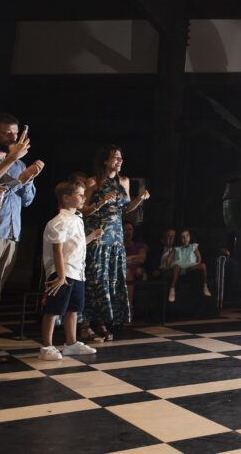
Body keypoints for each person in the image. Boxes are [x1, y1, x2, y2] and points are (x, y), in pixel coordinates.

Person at [0, 113, 44, 366]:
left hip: (11, 233)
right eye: (7, 133)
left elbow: (27, 200)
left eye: (15, 133)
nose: (12, 138)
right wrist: (13, 164)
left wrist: (28, 177)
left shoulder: (19, 163)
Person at [80, 144, 149, 342]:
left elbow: (126, 209)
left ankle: (101, 320)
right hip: (97, 236)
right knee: (94, 280)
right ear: (104, 160)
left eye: (120, 158)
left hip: (115, 237)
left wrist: (139, 199)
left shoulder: (124, 181)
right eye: (115, 158)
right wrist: (99, 203)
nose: (119, 161)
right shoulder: (93, 182)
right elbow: (82, 210)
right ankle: (84, 324)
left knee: (109, 279)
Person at [38, 180, 103, 361]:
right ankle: (46, 346)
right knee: (53, 309)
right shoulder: (59, 221)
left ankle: (71, 343)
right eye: (80, 194)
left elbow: (75, 246)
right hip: (62, 272)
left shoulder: (77, 219)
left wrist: (91, 237)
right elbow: (57, 249)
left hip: (76, 272)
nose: (84, 198)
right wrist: (60, 275)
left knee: (73, 309)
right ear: (66, 198)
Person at [168, 229, 211, 302]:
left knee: (203, 265)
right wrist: (167, 266)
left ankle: (205, 286)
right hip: (180, 265)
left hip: (190, 266)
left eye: (187, 235)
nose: (185, 238)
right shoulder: (177, 248)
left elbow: (199, 257)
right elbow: (169, 257)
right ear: (180, 238)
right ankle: (172, 289)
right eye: (183, 237)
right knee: (176, 267)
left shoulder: (193, 246)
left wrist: (198, 264)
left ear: (190, 236)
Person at [122, 220, 148, 313]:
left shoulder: (140, 246)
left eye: (130, 230)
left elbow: (141, 259)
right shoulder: (119, 246)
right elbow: (119, 260)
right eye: (125, 230)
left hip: (134, 270)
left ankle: (129, 309)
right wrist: (133, 257)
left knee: (128, 272)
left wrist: (127, 258)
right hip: (121, 269)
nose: (128, 233)